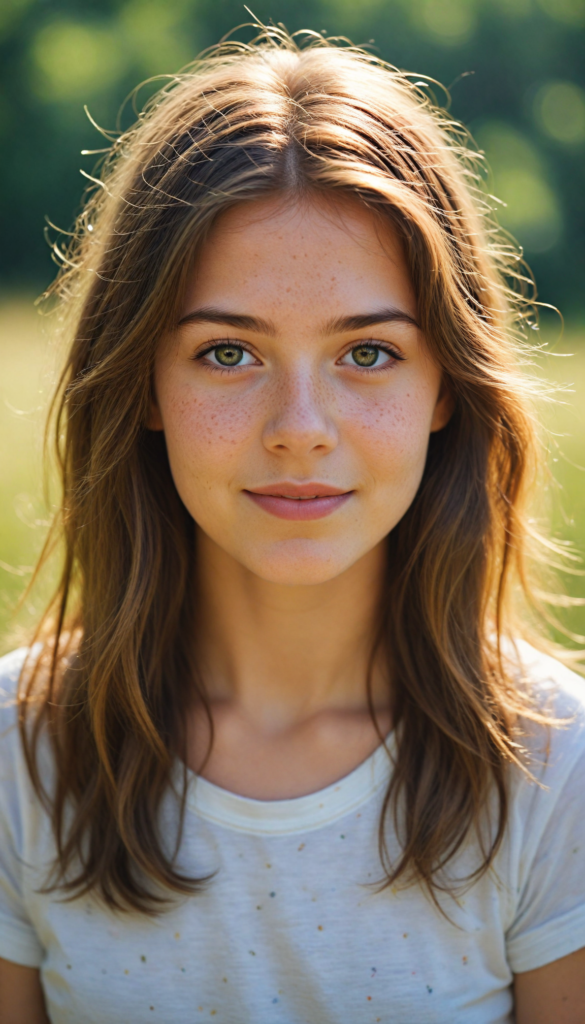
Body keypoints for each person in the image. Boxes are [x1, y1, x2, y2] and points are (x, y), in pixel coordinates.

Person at [1, 26, 584, 1024]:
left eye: (368, 354)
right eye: (229, 353)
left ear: (446, 386)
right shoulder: (20, 751)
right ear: (144, 383)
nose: (300, 429)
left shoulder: (555, 766)